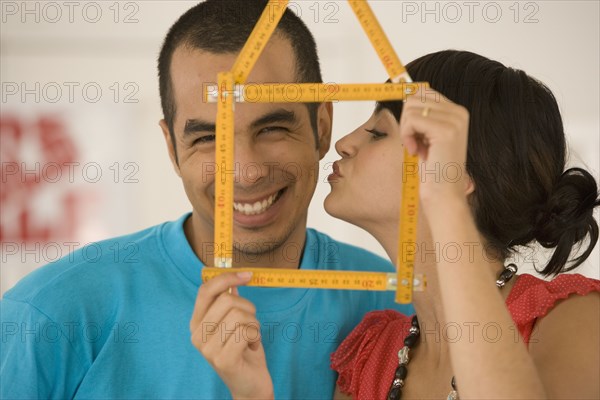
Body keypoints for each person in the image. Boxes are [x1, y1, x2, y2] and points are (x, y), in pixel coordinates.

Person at [0, 1, 412, 399]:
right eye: (207, 138)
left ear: (322, 127)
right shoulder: (48, 315)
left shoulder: (400, 311)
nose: (246, 171)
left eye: (272, 129)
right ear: (171, 147)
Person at [210, 50, 600, 399]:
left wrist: (445, 201)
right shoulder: (370, 357)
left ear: (455, 171)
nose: (343, 142)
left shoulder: (574, 320)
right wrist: (253, 394)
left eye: (378, 132)